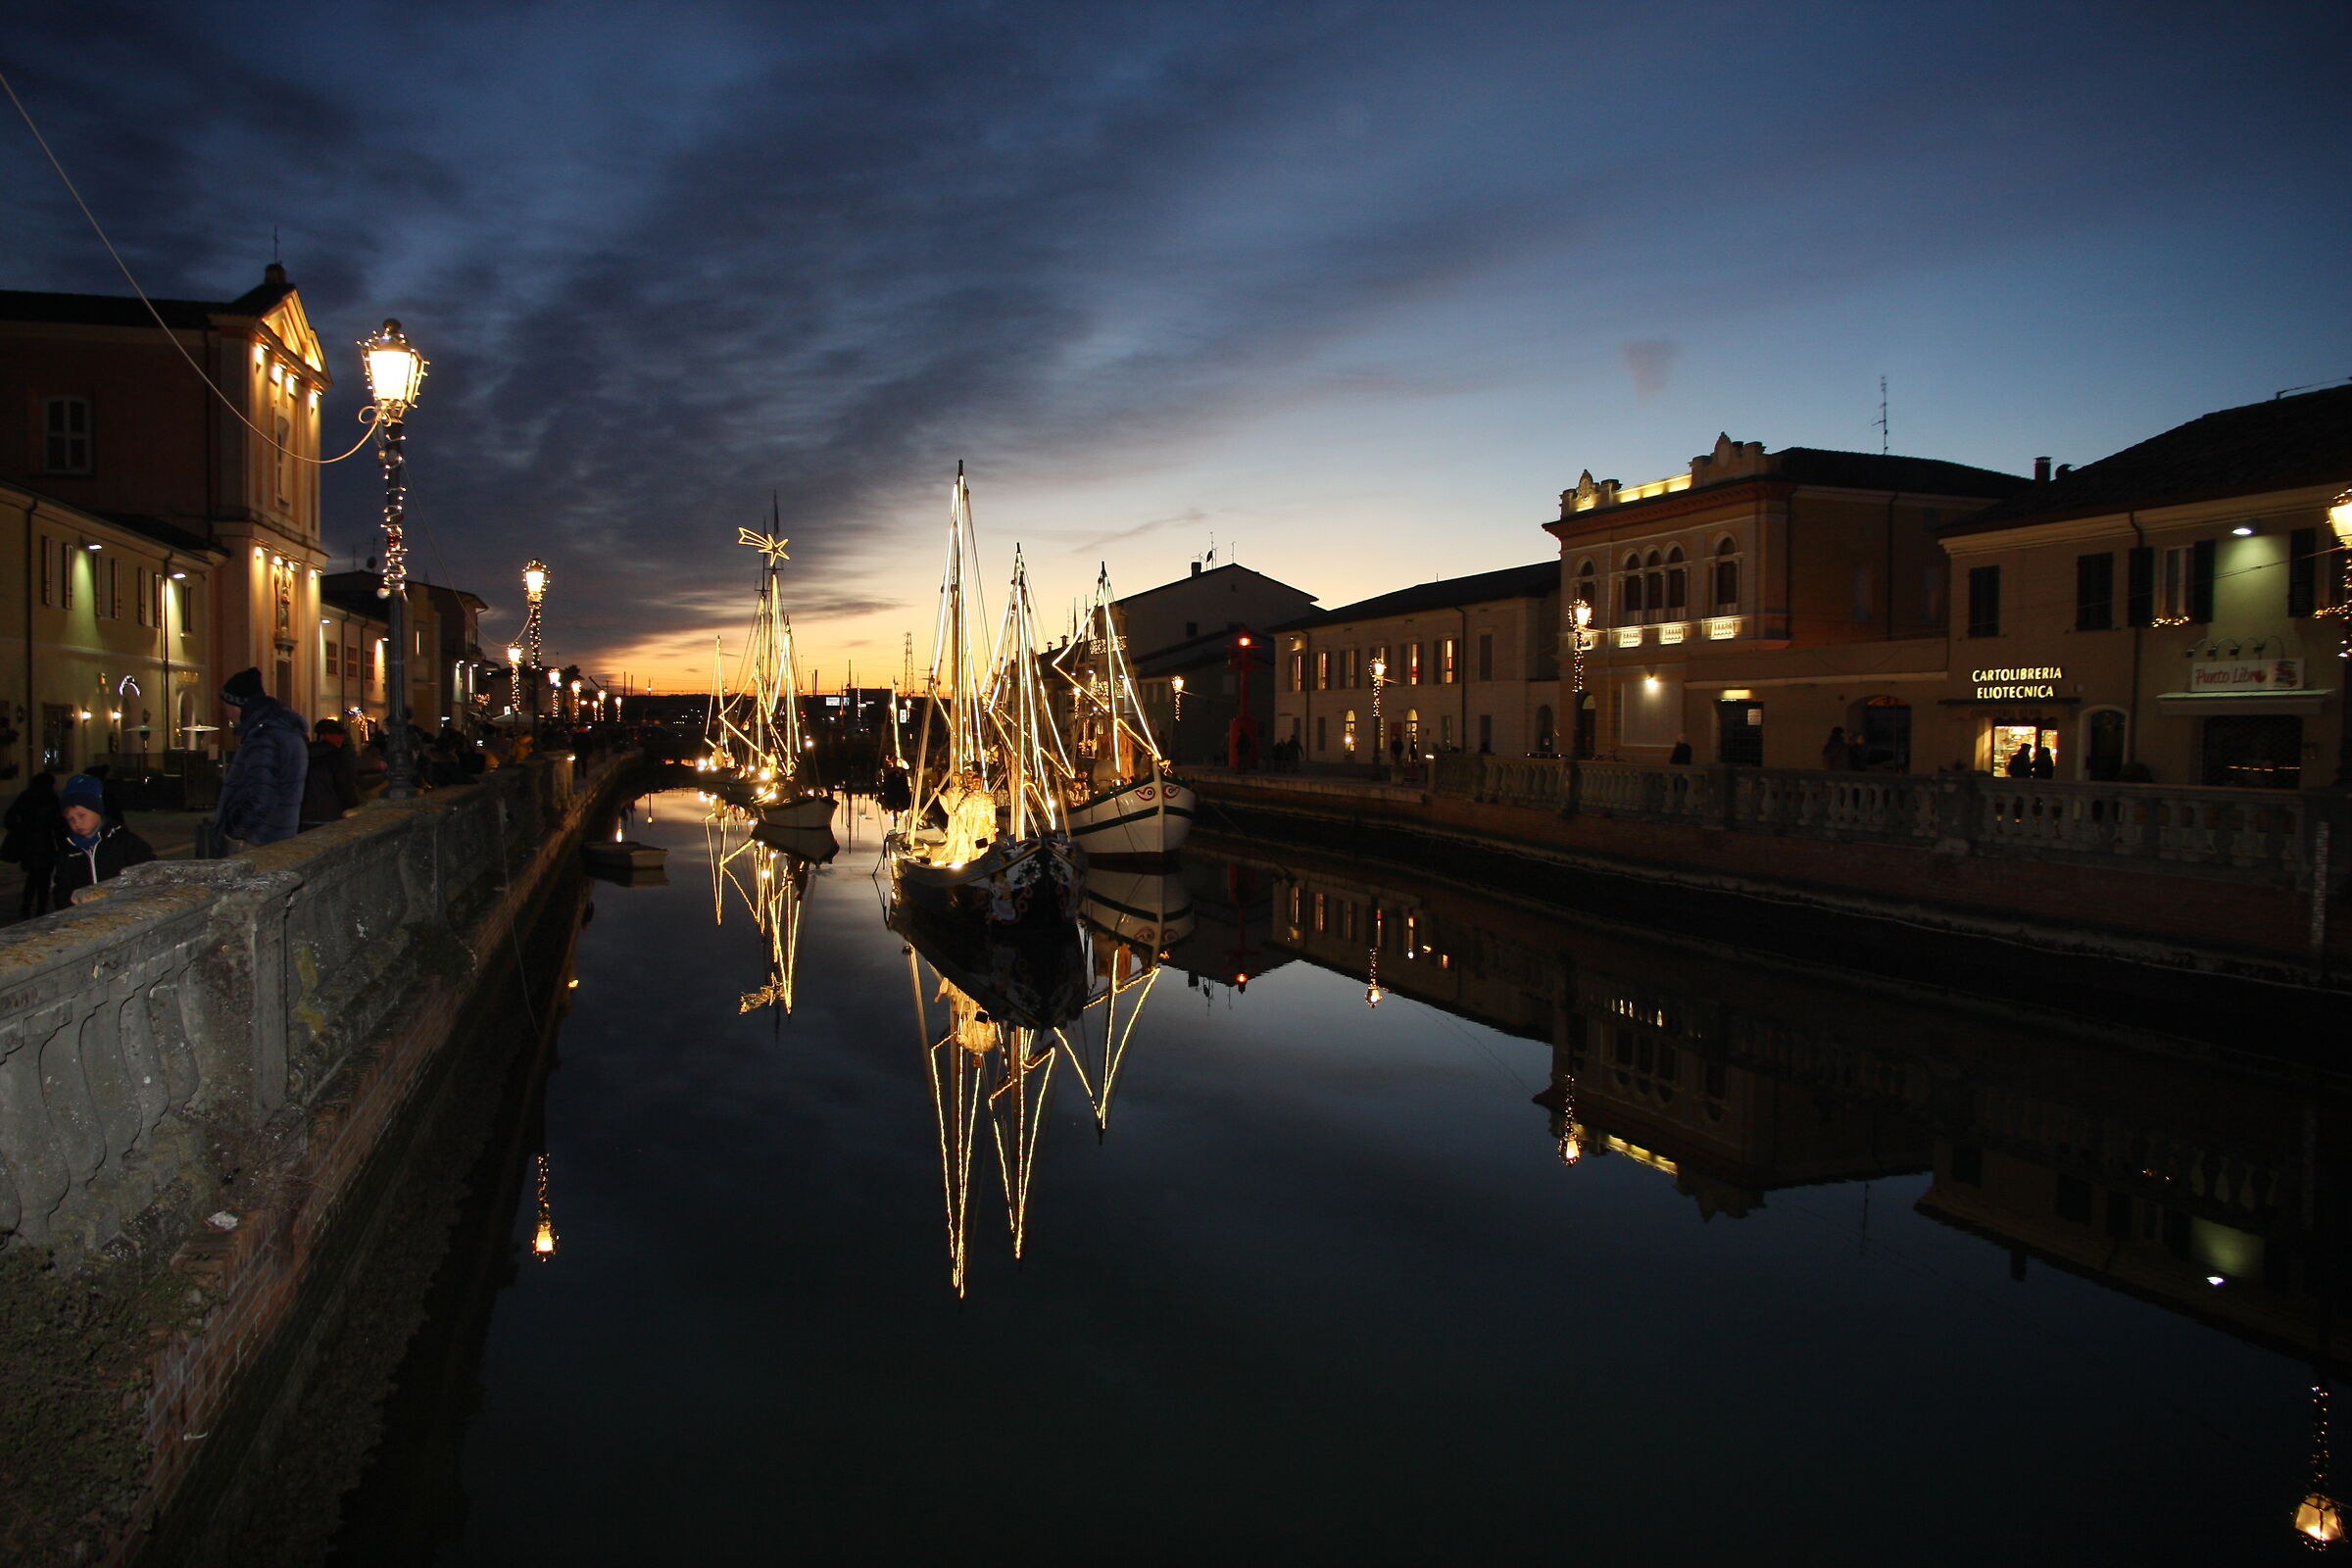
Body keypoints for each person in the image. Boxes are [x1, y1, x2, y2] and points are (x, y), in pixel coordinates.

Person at [214, 666, 309, 848]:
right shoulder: (285, 731)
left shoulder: (264, 738)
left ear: (238, 706)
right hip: (280, 834)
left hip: (259, 839)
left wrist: (234, 830)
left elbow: (260, 797)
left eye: (227, 707)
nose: (227, 715)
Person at [49, 772, 155, 904]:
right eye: (71, 819)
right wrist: (72, 899)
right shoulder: (68, 851)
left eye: (82, 816)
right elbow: (60, 888)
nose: (77, 822)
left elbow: (149, 873)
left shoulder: (124, 842)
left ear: (97, 811)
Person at [3, 770, 63, 918]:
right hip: (44, 843)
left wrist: (20, 829)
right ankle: (40, 907)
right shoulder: (50, 798)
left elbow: (9, 817)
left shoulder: (26, 796)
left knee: (33, 877)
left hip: (29, 843)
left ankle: (27, 905)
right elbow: (58, 824)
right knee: (43, 877)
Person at [300, 717, 363, 831]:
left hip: (303, 813)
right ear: (339, 737)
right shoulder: (337, 757)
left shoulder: (304, 754)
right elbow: (344, 786)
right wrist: (353, 807)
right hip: (330, 813)